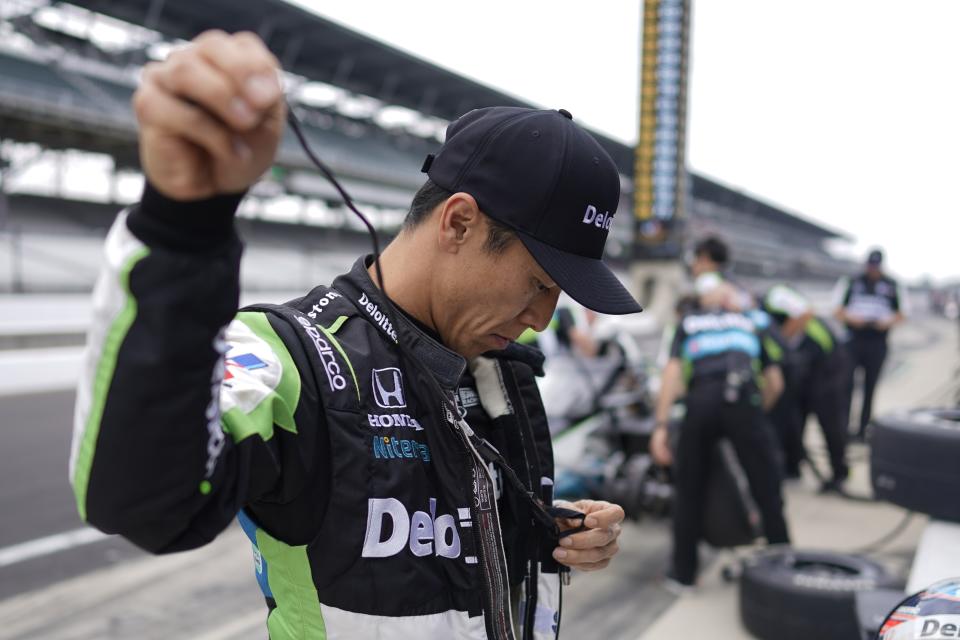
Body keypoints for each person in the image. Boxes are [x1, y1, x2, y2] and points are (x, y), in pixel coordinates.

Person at [67, 31, 634, 640]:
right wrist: (181, 226)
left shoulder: (499, 368)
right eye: (540, 283)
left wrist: (547, 530)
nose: (544, 318)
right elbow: (144, 502)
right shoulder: (294, 354)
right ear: (460, 222)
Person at [649, 281, 790, 588]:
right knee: (766, 485)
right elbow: (775, 382)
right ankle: (783, 561)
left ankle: (683, 575)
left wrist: (661, 427)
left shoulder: (688, 322)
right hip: (743, 399)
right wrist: (754, 415)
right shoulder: (748, 321)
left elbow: (672, 374)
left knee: (689, 492)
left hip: (700, 404)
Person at [763, 284, 849, 492]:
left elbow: (805, 313)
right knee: (793, 418)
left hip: (825, 361)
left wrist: (782, 338)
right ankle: (792, 467)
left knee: (830, 421)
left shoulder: (775, 295)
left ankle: (839, 474)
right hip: (800, 366)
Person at [833, 249, 906, 440]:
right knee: (846, 384)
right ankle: (843, 428)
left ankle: (862, 429)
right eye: (870, 265)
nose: (873, 269)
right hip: (853, 340)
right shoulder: (851, 281)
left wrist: (886, 322)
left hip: (877, 341)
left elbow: (902, 313)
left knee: (870, 386)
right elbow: (837, 309)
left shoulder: (892, 284)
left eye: (876, 266)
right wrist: (851, 318)